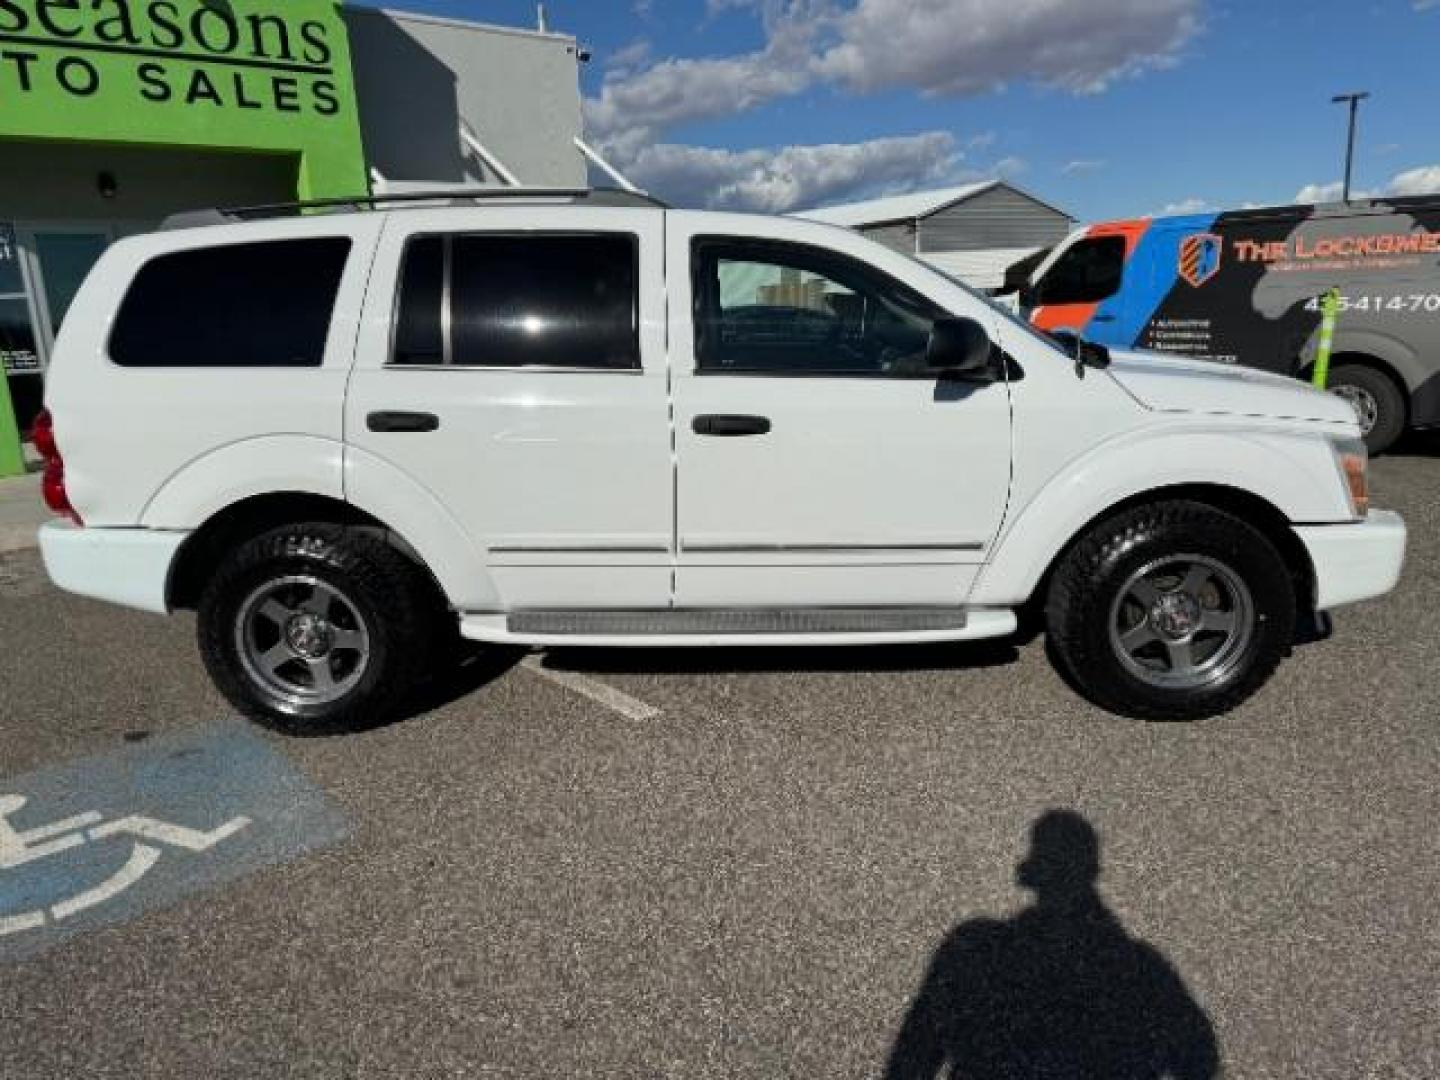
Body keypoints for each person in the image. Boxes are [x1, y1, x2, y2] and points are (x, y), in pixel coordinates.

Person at [885, 810, 1220, 1079]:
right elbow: (1198, 1056)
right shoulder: (1139, 971)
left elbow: (914, 1054)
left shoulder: (976, 952)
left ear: (1033, 874)